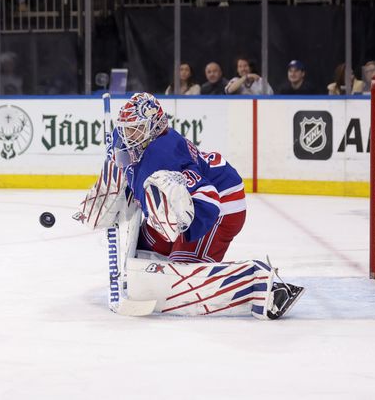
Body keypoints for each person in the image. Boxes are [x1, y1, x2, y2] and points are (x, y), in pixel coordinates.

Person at [74, 92, 303, 319]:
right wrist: (98, 203)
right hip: (188, 202)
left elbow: (207, 199)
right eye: (125, 127)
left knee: (183, 280)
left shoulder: (164, 154)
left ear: (155, 126)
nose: (127, 134)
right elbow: (120, 174)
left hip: (219, 206)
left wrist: (184, 234)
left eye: (135, 128)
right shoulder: (130, 141)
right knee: (143, 254)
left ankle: (260, 284)